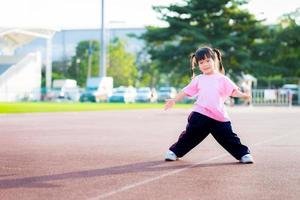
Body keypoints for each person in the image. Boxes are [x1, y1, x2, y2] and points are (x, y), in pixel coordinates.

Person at [164, 46, 254, 164]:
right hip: (200, 115)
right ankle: (174, 152)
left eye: (208, 61)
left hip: (219, 117)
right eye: (201, 62)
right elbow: (186, 91)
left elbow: (233, 91)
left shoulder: (222, 79)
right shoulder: (198, 79)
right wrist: (174, 100)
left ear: (214, 60)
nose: (205, 64)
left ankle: (244, 154)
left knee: (229, 138)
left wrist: (243, 95)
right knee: (189, 136)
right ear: (198, 65)